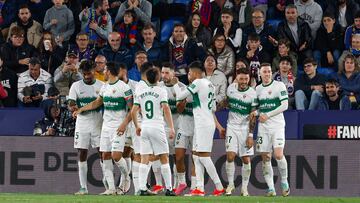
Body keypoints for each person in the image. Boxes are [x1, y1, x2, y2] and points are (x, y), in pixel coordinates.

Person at [73, 62, 133, 195]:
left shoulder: (124, 87)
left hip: (118, 126)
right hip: (105, 126)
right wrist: (81, 109)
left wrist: (124, 124)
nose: (103, 72)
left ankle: (126, 177)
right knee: (105, 155)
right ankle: (111, 188)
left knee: (116, 156)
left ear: (109, 72)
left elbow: (132, 109)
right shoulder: (105, 86)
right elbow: (97, 102)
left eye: (105, 70)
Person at [173, 61, 225, 196]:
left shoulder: (198, 82)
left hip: (203, 124)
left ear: (195, 73)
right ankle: (199, 189)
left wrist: (175, 84)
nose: (188, 76)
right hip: (204, 122)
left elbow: (179, 96)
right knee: (196, 156)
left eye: (189, 73)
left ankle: (219, 186)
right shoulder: (209, 85)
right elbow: (209, 105)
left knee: (203, 156)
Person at [131, 67, 176, 196]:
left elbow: (134, 110)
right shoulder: (161, 91)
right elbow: (166, 108)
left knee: (145, 158)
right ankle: (169, 188)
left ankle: (142, 188)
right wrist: (171, 128)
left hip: (144, 126)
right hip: (157, 126)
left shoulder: (141, 91)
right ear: (158, 78)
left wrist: (137, 126)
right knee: (164, 157)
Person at [68, 60, 104, 195]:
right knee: (82, 152)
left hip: (98, 122)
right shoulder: (76, 86)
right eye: (84, 74)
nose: (87, 76)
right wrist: (73, 107)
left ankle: (107, 185)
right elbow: (71, 101)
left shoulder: (102, 85)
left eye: (89, 73)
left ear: (94, 70)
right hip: (82, 123)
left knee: (102, 153)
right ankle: (83, 187)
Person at [255, 63, 289, 197]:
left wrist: (267, 115)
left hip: (278, 125)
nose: (267, 74)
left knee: (279, 155)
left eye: (269, 71)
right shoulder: (257, 89)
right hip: (263, 127)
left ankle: (284, 182)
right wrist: (257, 113)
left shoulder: (279, 86)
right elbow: (260, 108)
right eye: (265, 72)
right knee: (265, 157)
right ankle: (271, 188)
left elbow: (285, 105)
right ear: (260, 73)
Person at [224, 68, 256, 196]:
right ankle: (230, 185)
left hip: (245, 129)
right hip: (231, 127)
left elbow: (253, 116)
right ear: (237, 77)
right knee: (230, 156)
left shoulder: (252, 94)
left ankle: (244, 188)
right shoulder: (231, 88)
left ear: (249, 79)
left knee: (246, 159)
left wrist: (250, 135)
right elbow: (227, 103)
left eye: (246, 79)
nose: (243, 81)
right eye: (241, 79)